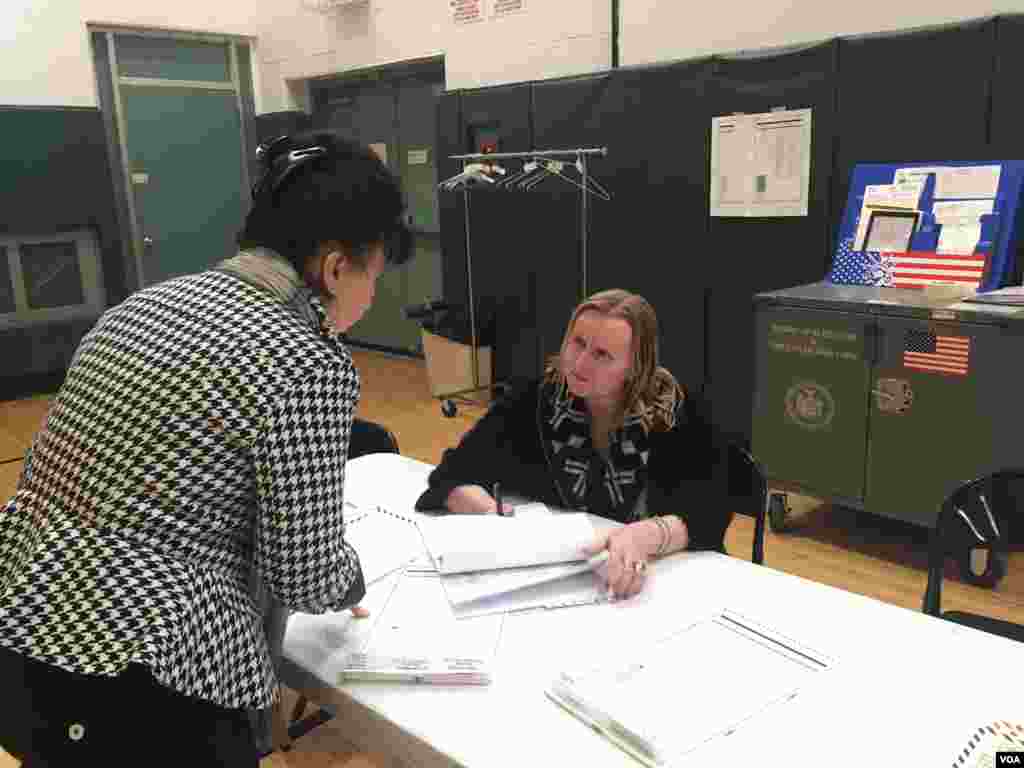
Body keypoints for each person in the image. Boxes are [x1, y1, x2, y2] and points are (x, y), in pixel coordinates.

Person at [0, 131, 411, 766]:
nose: (371, 295)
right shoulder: (306, 359)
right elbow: (302, 575)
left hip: (27, 626)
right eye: (374, 276)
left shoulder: (138, 308)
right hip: (144, 676)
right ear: (335, 268)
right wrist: (347, 576)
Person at [415, 289, 733, 600]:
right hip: (558, 586)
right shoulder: (534, 401)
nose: (579, 364)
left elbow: (711, 512)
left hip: (665, 586)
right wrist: (489, 513)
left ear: (635, 368)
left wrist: (644, 536)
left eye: (602, 355)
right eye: (578, 343)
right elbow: (452, 474)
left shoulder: (675, 412)